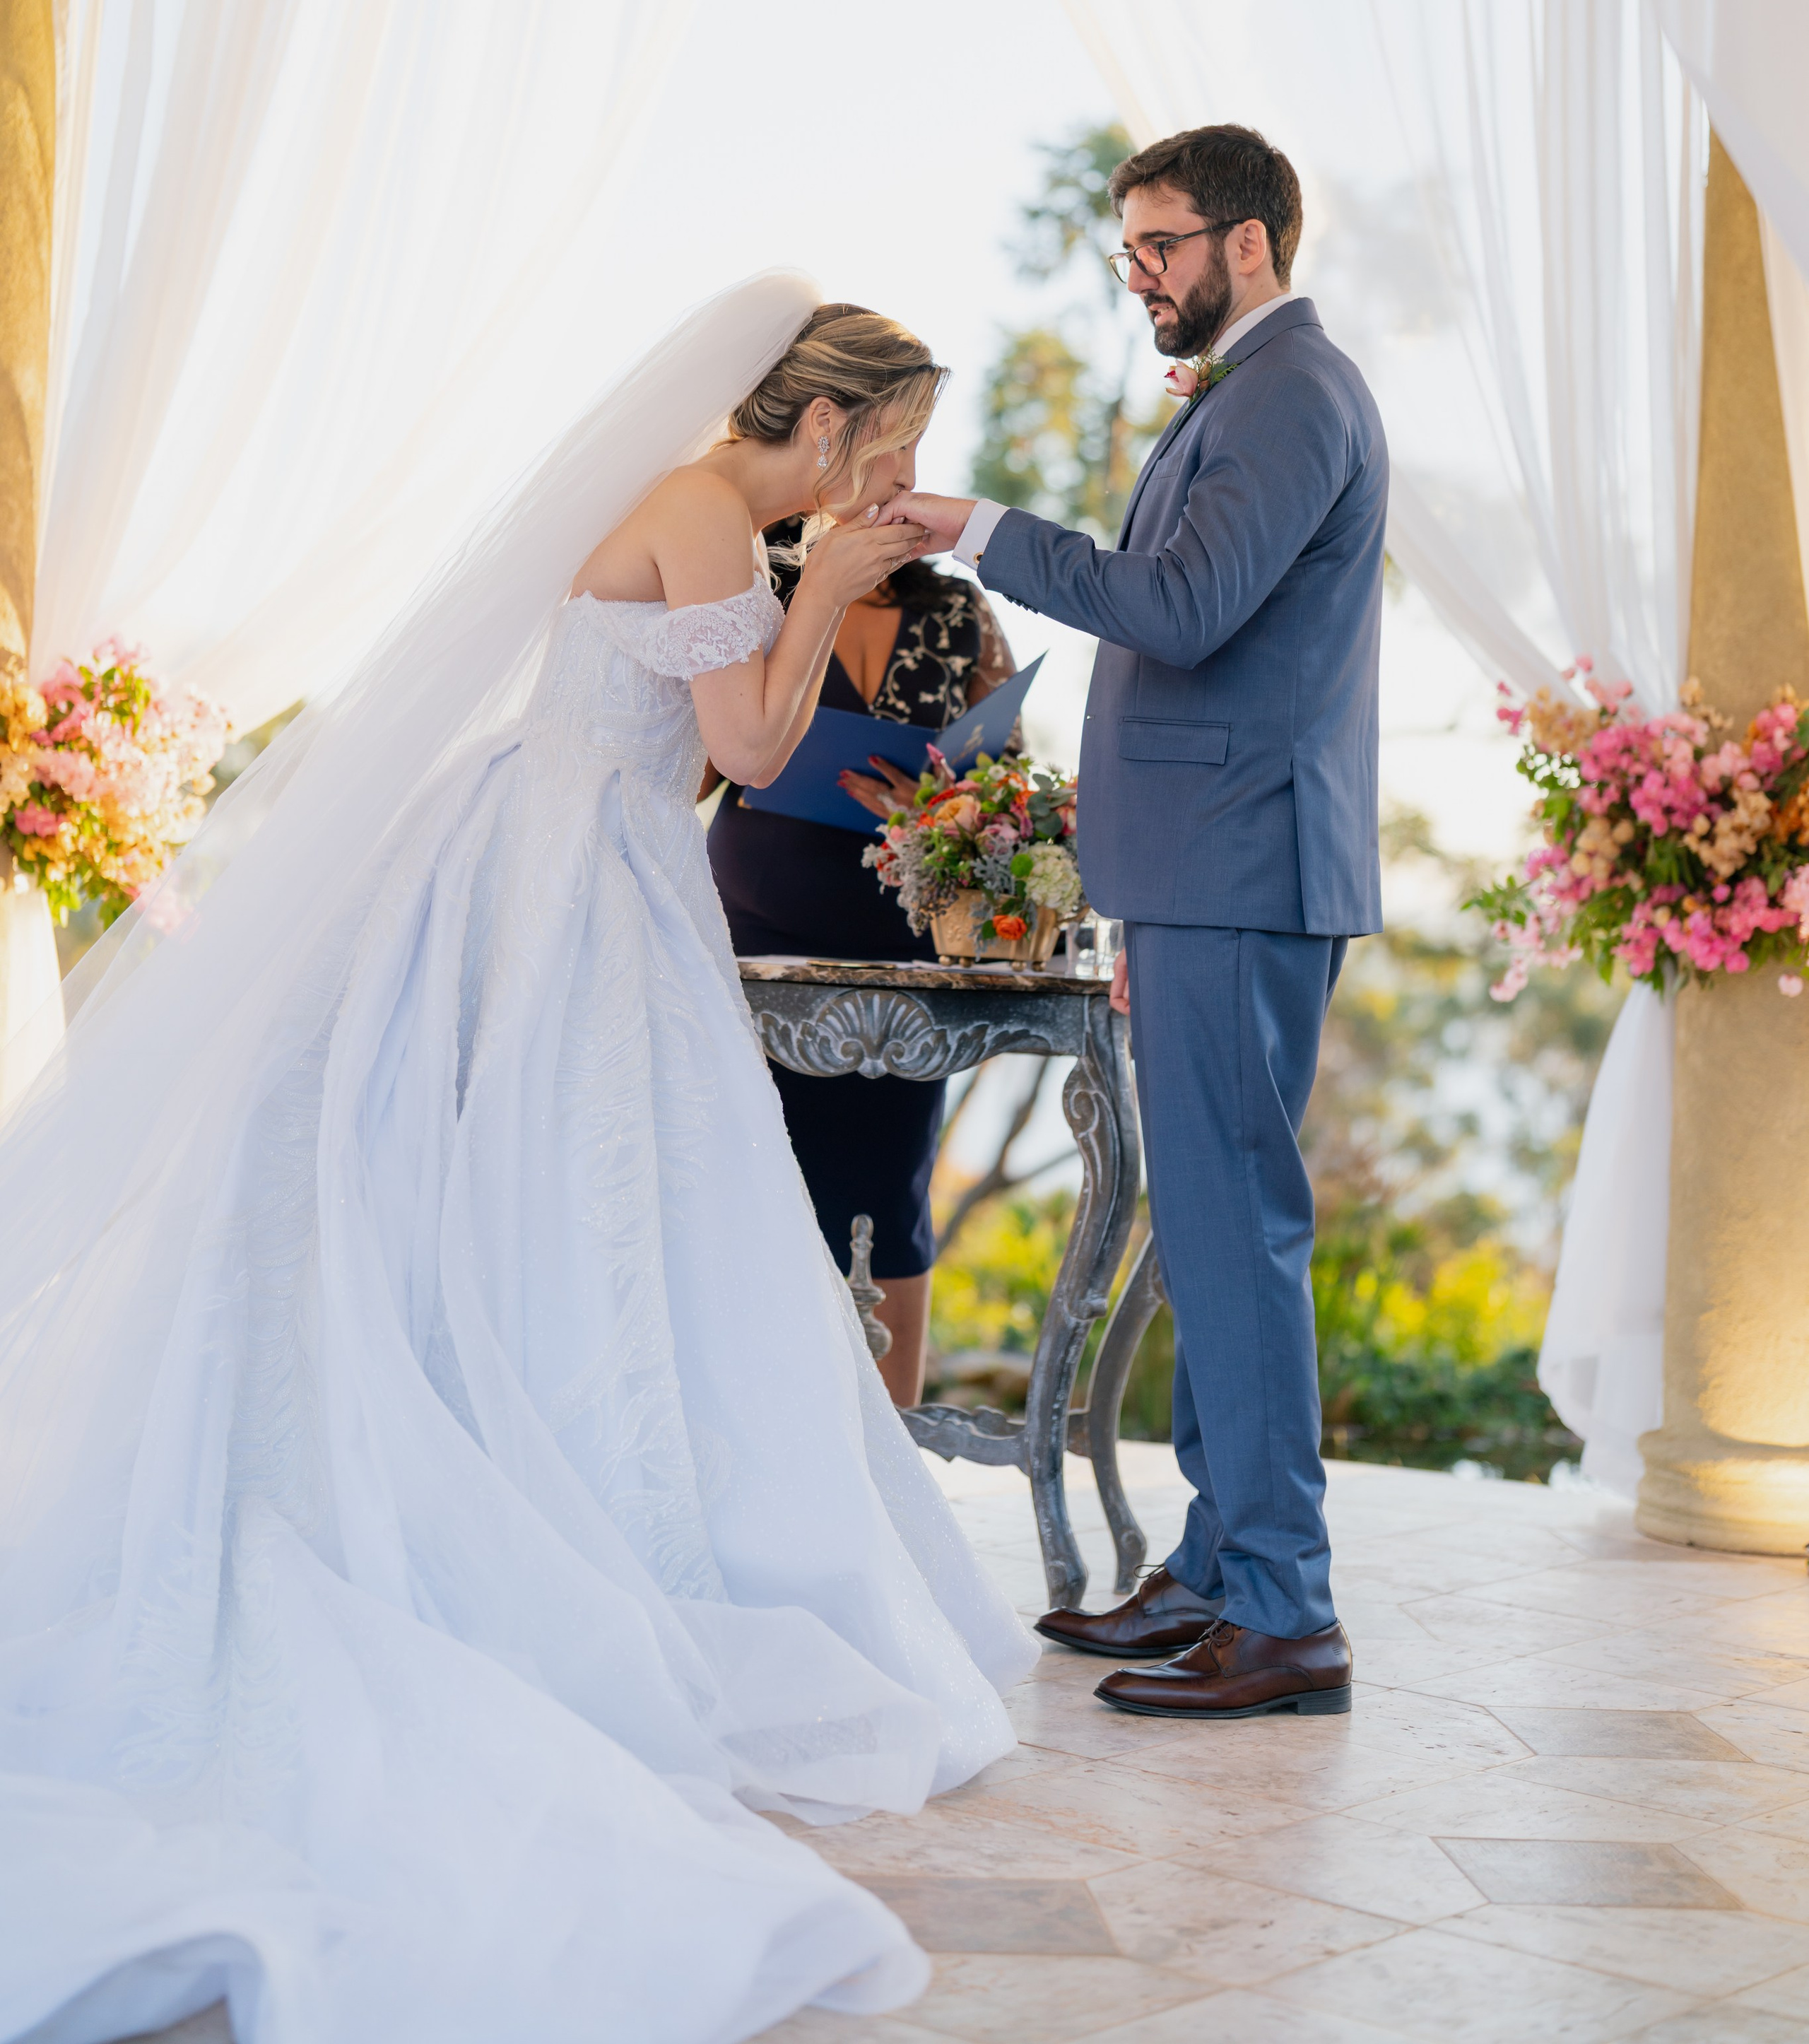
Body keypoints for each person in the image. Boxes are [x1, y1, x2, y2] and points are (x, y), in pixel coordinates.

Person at [0, 279, 1036, 2044]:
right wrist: (831, 598)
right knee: (574, 1192)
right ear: (829, 424)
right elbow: (751, 752)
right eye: (888, 450)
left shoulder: (717, 512)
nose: (888, 484)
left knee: (611, 1205)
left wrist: (824, 598)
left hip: (597, 854)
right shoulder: (717, 506)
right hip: (567, 867)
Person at [888, 124, 1386, 1723]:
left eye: (1159, 245)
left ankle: (1285, 1611)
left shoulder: (1293, 392)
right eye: (1130, 251)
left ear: (1247, 243)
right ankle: (1220, 1567)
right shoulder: (1258, 392)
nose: (1140, 278)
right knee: (1214, 1234)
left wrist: (979, 528)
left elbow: (1175, 608)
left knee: (1233, 1234)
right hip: (1205, 867)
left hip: (1237, 871)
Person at [708, 482, 1017, 1409]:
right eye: (888, 449)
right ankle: (748, 1440)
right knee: (755, 1187)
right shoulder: (751, 577)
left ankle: (893, 1457)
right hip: (756, 937)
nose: (902, 477)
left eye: (916, 454)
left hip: (906, 951)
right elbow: (693, 752)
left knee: (891, 1197)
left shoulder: (956, 608)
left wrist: (932, 810)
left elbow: (1004, 790)